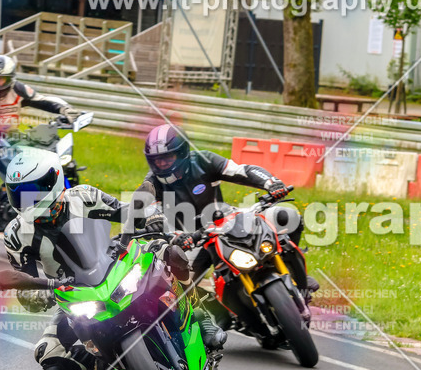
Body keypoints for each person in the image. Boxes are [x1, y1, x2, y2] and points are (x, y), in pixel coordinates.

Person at [0, 149, 224, 370]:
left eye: (33, 191)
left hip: (116, 261)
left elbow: (124, 211)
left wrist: (149, 217)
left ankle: (201, 312)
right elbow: (23, 282)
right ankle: (125, 365)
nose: (27, 200)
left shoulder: (82, 197)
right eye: (19, 193)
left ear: (53, 180)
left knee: (170, 252)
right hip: (72, 294)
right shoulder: (16, 234)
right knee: (49, 356)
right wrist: (38, 294)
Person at [134, 124, 318, 307]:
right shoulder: (152, 181)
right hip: (191, 240)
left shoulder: (204, 160)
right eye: (157, 160)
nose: (162, 164)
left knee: (288, 216)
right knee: (177, 294)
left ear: (182, 153)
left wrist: (271, 183)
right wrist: (165, 229)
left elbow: (241, 171)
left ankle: (297, 277)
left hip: (227, 222)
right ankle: (214, 318)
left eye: (167, 157)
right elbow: (146, 206)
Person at [0, 54, 81, 232]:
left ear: (10, 78)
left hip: (11, 142)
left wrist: (65, 110)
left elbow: (42, 100)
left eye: (1, 78)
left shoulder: (18, 89)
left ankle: (50, 210)